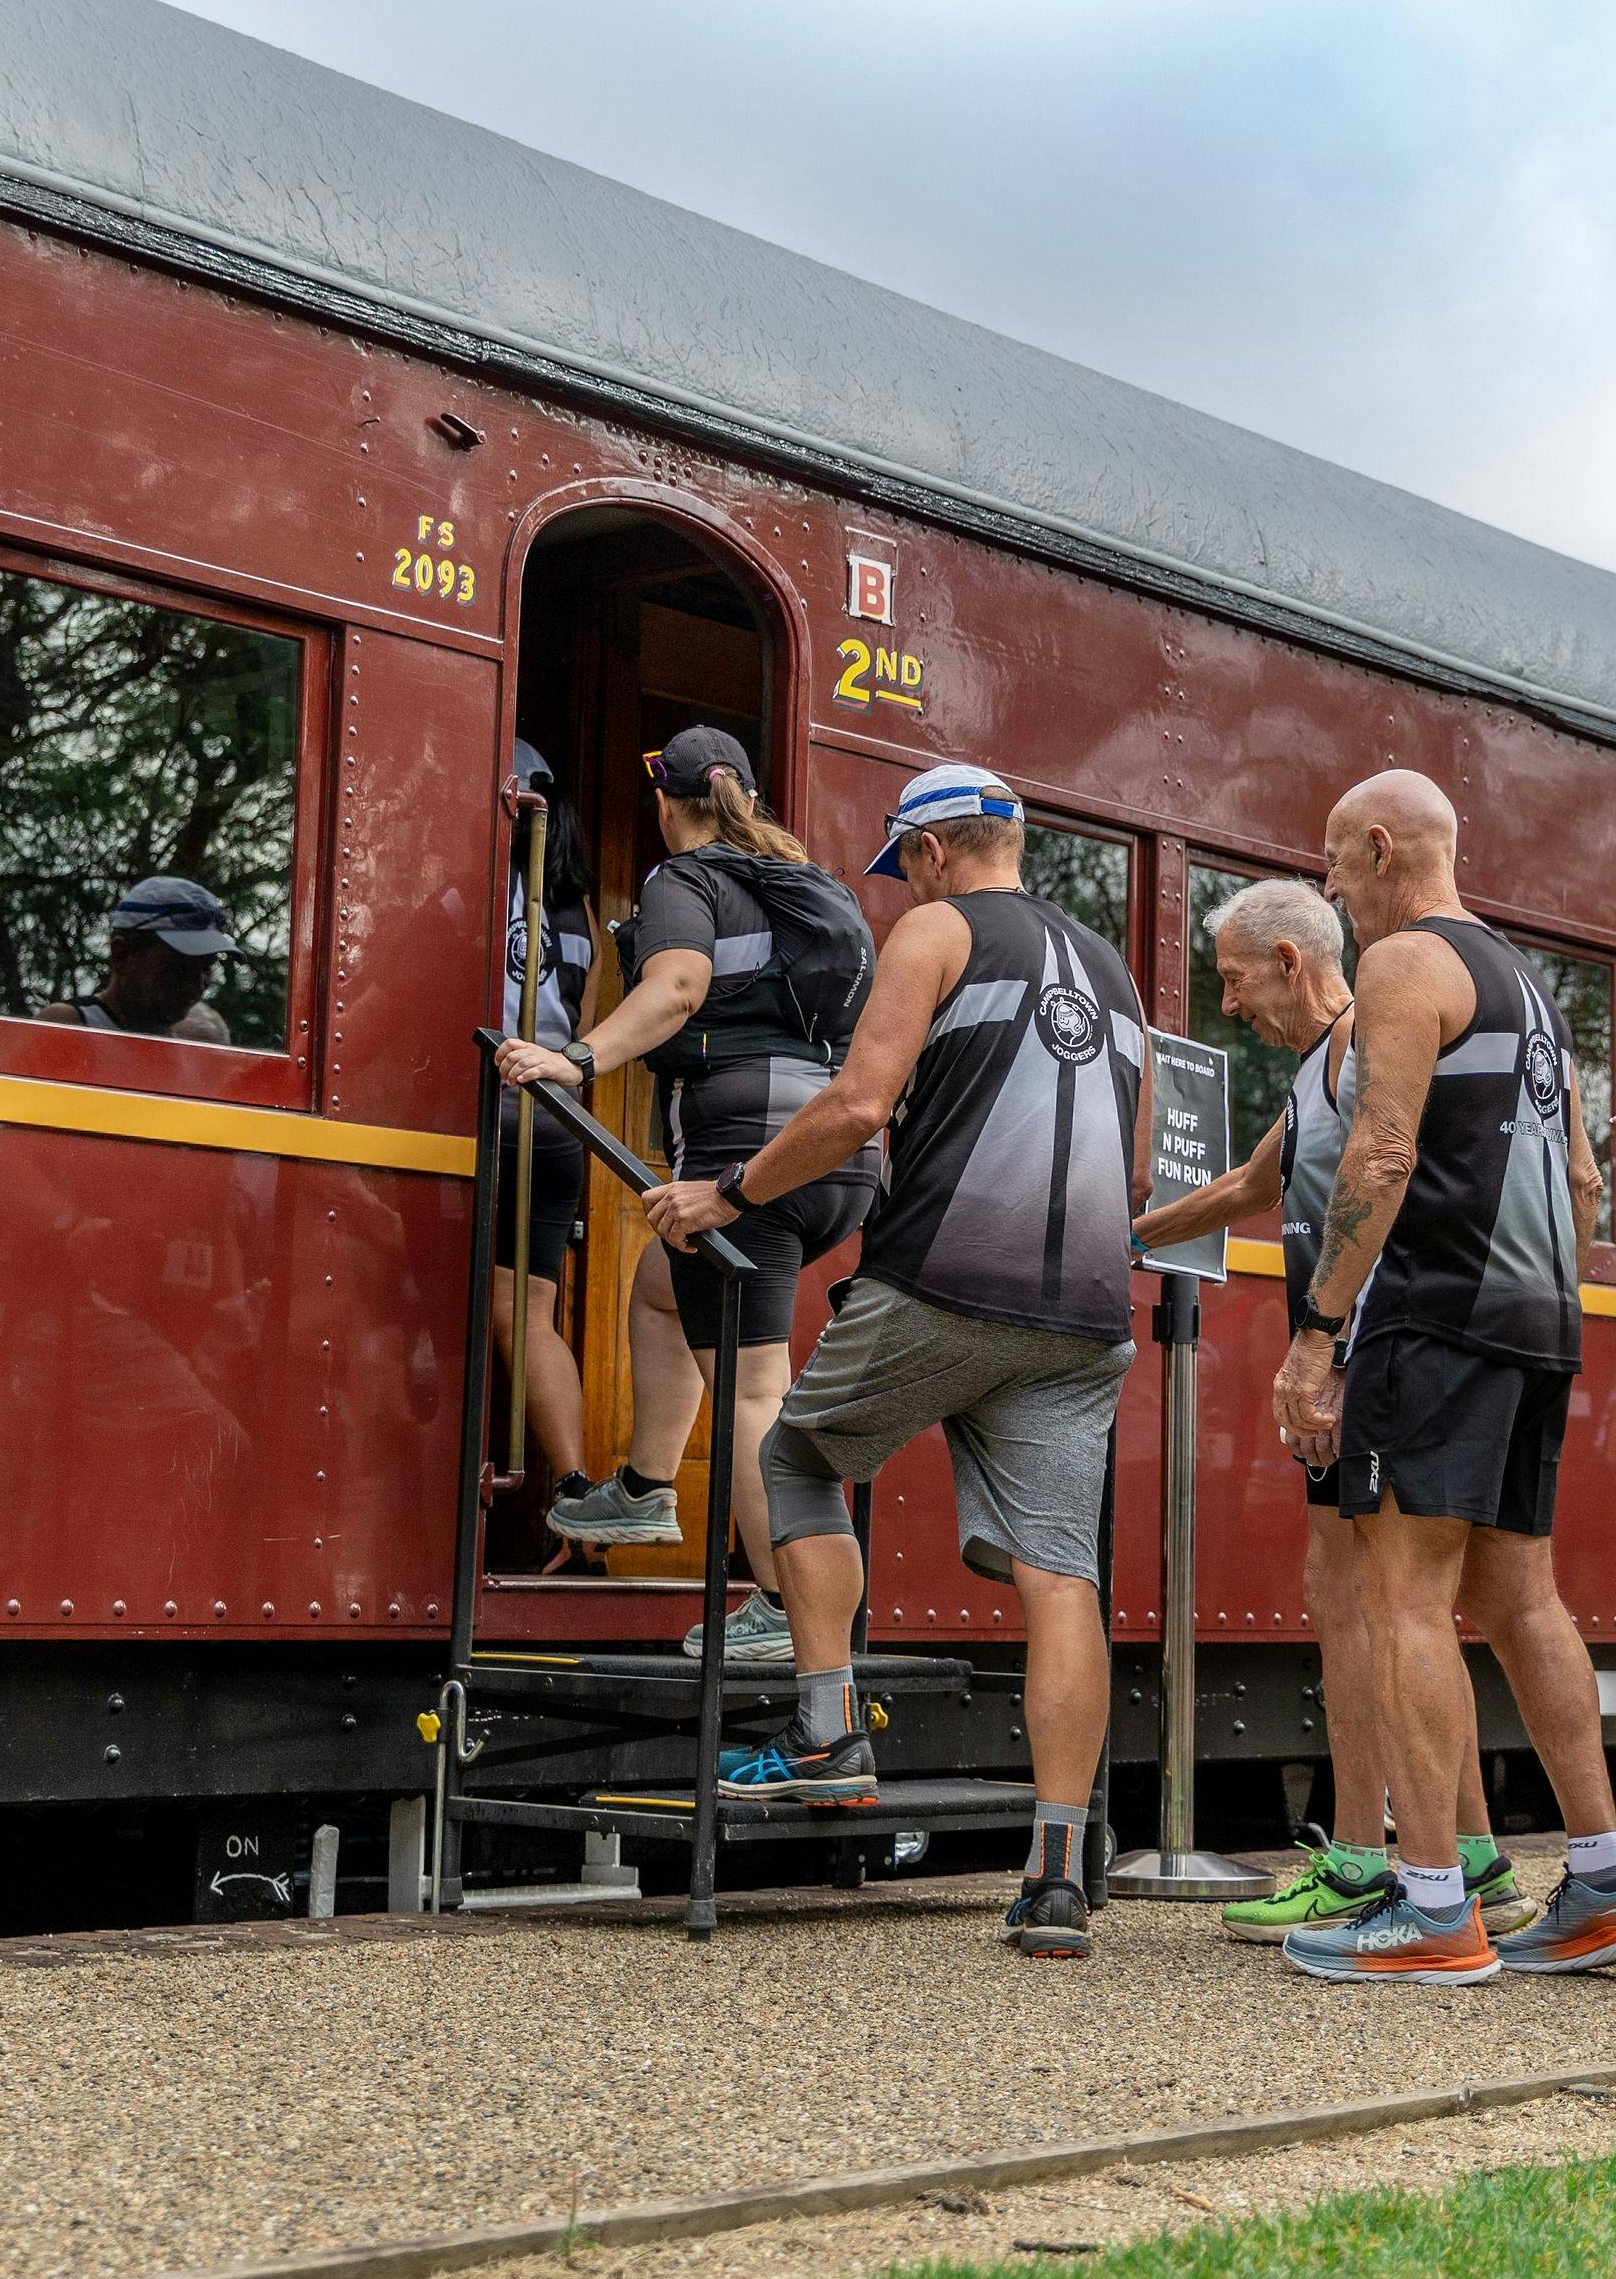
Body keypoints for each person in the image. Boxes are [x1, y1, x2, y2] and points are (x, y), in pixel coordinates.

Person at [646, 762, 1148, 1960]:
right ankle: (1058, 1873)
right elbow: (1131, 1180)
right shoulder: (1114, 970)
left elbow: (858, 1107)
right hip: (1086, 1311)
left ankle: (827, 1731)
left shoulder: (933, 929)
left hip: (943, 1281)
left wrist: (729, 1193)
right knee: (1060, 1578)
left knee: (801, 1453)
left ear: (928, 855)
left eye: (901, 867)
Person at [1271, 770, 1616, 1984]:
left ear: (1384, 849)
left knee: (1402, 1597)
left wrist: (1316, 1331)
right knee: (1521, 1600)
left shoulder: (1404, 966)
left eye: (1338, 863)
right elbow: (1583, 1184)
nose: (1333, 887)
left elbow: (1384, 1150)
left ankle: (1437, 1904)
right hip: (1537, 1320)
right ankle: (1604, 1877)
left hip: (1435, 1317)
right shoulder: (1524, 983)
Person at [1131, 878, 1539, 1942]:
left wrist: (1332, 1348)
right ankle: (1481, 1861)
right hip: (1353, 1353)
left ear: (1290, 960)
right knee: (1364, 1597)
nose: (1229, 1006)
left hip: (1372, 1352)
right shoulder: (1316, 1070)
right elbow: (1246, 1188)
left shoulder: (1369, 1044)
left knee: (1363, 1600)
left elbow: (1391, 1179)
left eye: (1233, 979)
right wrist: (1118, 1234)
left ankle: (1363, 1859)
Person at [498, 728, 883, 1614]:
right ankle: (644, 1490)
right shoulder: (801, 884)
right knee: (660, 1287)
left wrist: (579, 1060)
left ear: (666, 804)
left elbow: (676, 987)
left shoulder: (685, 879)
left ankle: (789, 1613)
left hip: (746, 1152)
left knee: (754, 1390)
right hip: (833, 1154)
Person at [490, 742, 607, 1532]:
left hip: (491, 1105)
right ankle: (571, 1484)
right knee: (531, 1313)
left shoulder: (478, 883)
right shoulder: (581, 904)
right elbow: (592, 1026)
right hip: (560, 1115)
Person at [35, 875, 242, 1041]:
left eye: (206, 967)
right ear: (122, 955)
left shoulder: (186, 1046)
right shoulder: (69, 1025)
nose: (197, 985)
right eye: (179, 967)